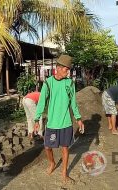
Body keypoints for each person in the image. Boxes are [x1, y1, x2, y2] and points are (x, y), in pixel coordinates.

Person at [33, 54, 84, 184]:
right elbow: (42, 102)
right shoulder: (48, 83)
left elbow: (73, 102)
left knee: (65, 148)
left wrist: (78, 118)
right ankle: (52, 163)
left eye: (69, 70)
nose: (68, 72)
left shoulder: (70, 83)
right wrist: (36, 120)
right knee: (48, 147)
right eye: (66, 69)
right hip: (52, 123)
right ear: (58, 68)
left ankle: (64, 173)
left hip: (66, 122)